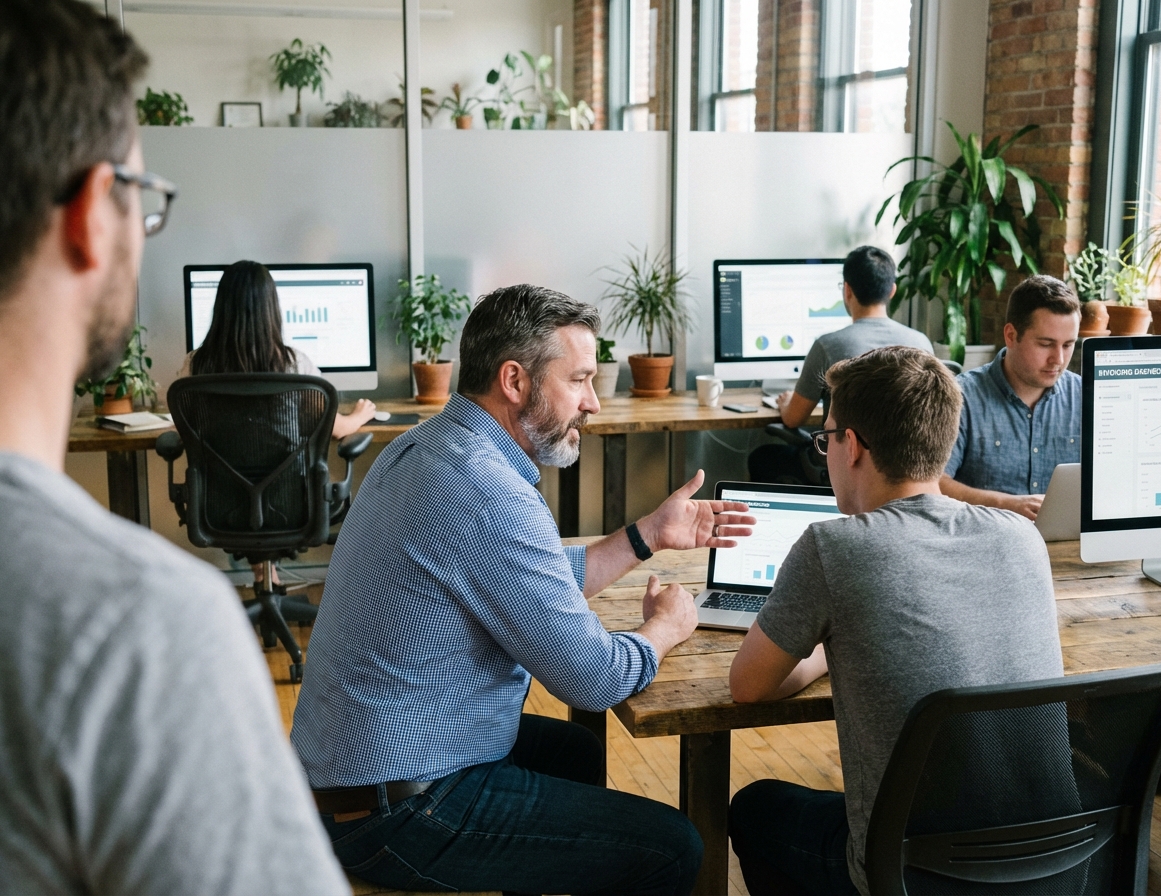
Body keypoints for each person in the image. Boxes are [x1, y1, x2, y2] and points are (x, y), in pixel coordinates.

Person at [0, 2, 348, 893]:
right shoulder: (136, 634)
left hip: (224, 510)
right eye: (143, 200)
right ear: (91, 214)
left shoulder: (192, 373)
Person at [291, 284, 757, 896]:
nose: (593, 403)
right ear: (515, 381)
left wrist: (649, 534)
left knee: (573, 753)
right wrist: (664, 629)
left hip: (346, 779)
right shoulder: (486, 488)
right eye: (580, 379)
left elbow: (531, 576)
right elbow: (594, 679)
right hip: (394, 814)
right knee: (675, 847)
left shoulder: (430, 447)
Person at [727, 346, 1065, 895]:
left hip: (911, 874)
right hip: (1052, 858)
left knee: (755, 807)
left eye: (826, 437)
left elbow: (748, 685)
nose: (826, 451)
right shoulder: (1021, 536)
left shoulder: (833, 547)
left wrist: (826, 650)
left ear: (852, 446)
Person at [749, 246, 932, 484]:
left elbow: (793, 419)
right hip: (902, 471)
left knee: (761, 458)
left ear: (847, 290)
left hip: (844, 471)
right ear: (892, 291)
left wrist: (785, 403)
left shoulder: (828, 345)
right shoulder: (921, 344)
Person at [183, 259, 376, 439]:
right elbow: (337, 429)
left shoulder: (195, 363)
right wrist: (359, 415)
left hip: (215, 476)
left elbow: (182, 422)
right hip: (288, 476)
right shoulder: (295, 363)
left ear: (220, 307)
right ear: (271, 308)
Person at [941, 274, 1081, 520]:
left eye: (1068, 345)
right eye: (1046, 344)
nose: (1058, 359)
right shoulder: (960, 397)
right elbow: (934, 484)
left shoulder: (1085, 397)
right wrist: (1006, 504)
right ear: (1010, 335)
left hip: (1068, 550)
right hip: (985, 545)